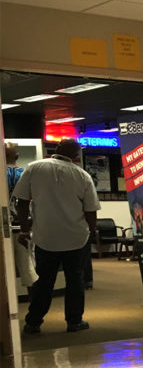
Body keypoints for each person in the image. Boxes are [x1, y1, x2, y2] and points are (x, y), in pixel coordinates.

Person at [13, 138, 99, 333]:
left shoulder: (34, 168)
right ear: (76, 156)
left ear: (57, 148)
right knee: (75, 280)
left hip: (46, 237)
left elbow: (22, 202)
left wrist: (25, 229)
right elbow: (91, 210)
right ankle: (74, 321)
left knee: (43, 281)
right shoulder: (82, 175)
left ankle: (33, 322)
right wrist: (91, 232)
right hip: (77, 238)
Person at [5, 141, 38, 293]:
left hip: (3, 227)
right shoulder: (26, 174)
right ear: (17, 156)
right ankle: (34, 303)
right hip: (23, 225)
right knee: (28, 267)